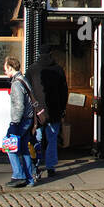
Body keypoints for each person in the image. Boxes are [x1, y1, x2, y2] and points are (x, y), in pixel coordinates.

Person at [27, 40, 68, 179]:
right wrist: (63, 110)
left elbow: (28, 92)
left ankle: (36, 166)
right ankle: (50, 167)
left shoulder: (32, 70)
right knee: (52, 140)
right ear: (51, 53)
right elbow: (64, 92)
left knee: (37, 140)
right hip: (54, 111)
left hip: (38, 112)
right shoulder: (58, 69)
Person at [3, 56, 37, 188]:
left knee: (10, 147)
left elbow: (19, 106)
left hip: (21, 121)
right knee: (24, 149)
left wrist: (14, 124)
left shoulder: (16, 84)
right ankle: (30, 179)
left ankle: (18, 176)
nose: (4, 72)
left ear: (11, 68)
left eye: (5, 69)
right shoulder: (23, 79)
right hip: (28, 119)